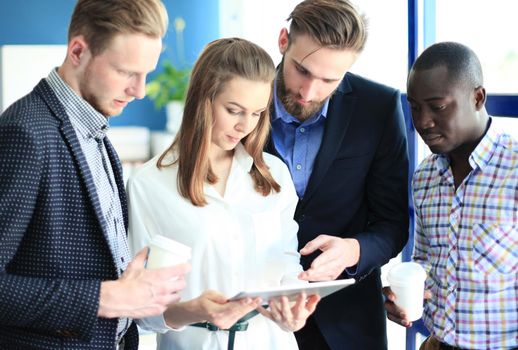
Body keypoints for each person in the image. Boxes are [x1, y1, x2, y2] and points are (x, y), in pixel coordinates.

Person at [0, 1, 190, 349]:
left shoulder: (96, 131)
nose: (140, 90)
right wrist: (106, 298)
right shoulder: (25, 132)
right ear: (78, 51)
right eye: (125, 72)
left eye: (146, 73)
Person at [127, 37, 320, 350]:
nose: (245, 125)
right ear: (204, 98)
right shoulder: (149, 185)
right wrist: (192, 310)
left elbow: (286, 267)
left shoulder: (274, 176)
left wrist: (292, 312)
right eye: (234, 110)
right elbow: (141, 312)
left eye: (257, 113)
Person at [266, 0, 410, 349]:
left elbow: (392, 224)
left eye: (329, 79)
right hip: (256, 316)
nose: (308, 92)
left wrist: (353, 250)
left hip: (348, 324)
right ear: (283, 40)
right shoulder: (241, 95)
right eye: (301, 70)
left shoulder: (379, 108)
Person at [384, 42, 518, 350]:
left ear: (477, 97)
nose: (423, 122)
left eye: (438, 107)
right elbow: (425, 261)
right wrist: (406, 295)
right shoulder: (425, 177)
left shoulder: (514, 169)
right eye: (415, 107)